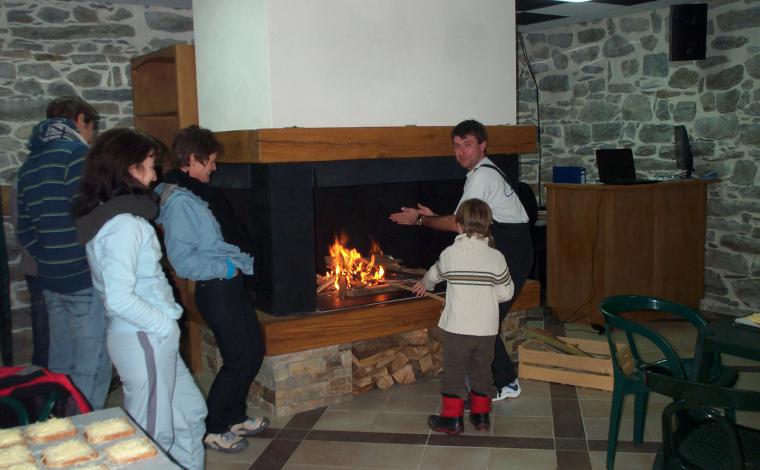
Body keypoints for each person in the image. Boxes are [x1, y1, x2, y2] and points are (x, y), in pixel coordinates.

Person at [73, 128, 207, 470]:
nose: (155, 174)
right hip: (144, 336)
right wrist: (163, 324)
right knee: (149, 438)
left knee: (190, 414)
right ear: (129, 169)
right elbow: (119, 298)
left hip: (149, 336)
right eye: (149, 165)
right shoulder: (123, 225)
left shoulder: (117, 216)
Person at [390, 119, 533, 401]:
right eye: (456, 146)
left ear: (482, 145)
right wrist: (433, 216)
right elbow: (466, 218)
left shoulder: (481, 176)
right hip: (508, 246)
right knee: (487, 321)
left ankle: (503, 384)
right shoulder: (481, 172)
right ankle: (502, 382)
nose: (461, 152)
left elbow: (459, 225)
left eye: (467, 145)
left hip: (511, 251)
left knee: (487, 321)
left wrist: (421, 219)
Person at [156, 125, 268, 453]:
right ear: (192, 160)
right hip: (216, 288)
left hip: (229, 285)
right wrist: (230, 267)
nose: (214, 168)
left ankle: (233, 417)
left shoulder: (195, 194)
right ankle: (214, 428)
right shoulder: (179, 202)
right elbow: (185, 262)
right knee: (238, 358)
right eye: (210, 162)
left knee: (251, 352)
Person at [15, 96, 111, 408]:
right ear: (81, 120)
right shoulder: (77, 155)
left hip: (51, 277)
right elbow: (87, 213)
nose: (91, 137)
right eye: (91, 129)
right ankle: (83, 432)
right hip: (81, 275)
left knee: (61, 360)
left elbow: (25, 229)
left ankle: (57, 424)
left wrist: (47, 259)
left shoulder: (30, 163)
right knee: (91, 363)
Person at [413, 198, 513, 434]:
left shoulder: (450, 254)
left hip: (458, 327)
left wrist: (423, 284)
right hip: (486, 329)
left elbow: (433, 276)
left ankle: (452, 419)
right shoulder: (496, 257)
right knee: (482, 371)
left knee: (454, 372)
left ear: (458, 225)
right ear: (488, 225)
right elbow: (506, 291)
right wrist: (487, 298)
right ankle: (481, 417)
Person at [9, 187, 48, 368]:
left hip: (43, 266)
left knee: (53, 333)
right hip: (39, 269)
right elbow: (23, 232)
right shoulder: (24, 183)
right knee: (44, 332)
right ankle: (44, 384)